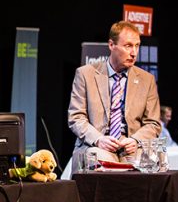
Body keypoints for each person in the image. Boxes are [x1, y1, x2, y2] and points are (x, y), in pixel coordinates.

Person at [68, 21, 161, 168]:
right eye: (128, 45)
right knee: (100, 161)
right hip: (98, 145)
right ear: (111, 45)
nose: (134, 52)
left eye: (137, 45)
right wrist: (99, 139)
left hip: (132, 148)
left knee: (151, 163)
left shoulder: (147, 80)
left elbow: (153, 123)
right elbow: (76, 118)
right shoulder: (85, 74)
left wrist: (136, 140)